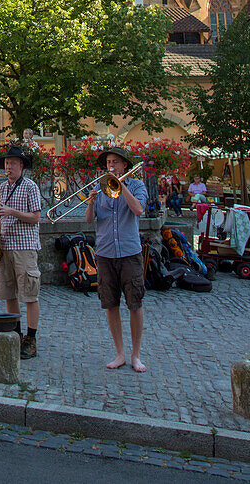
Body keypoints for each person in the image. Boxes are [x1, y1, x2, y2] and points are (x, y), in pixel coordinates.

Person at [85, 145, 148, 373]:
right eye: (108, 162)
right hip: (105, 253)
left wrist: (121, 186)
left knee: (135, 303)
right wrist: (91, 201)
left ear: (124, 166)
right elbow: (89, 220)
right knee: (110, 304)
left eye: (115, 162)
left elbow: (138, 210)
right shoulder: (99, 187)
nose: (110, 166)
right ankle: (120, 353)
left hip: (130, 253)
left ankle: (136, 354)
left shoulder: (137, 185)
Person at [0, 144, 42, 359]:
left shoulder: (31, 187)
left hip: (25, 246)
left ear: (21, 165)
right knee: (9, 292)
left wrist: (11, 211)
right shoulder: (1, 188)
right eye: (6, 163)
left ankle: (31, 338)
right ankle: (15, 333)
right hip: (5, 245)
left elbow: (35, 217)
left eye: (12, 163)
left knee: (29, 294)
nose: (8, 167)